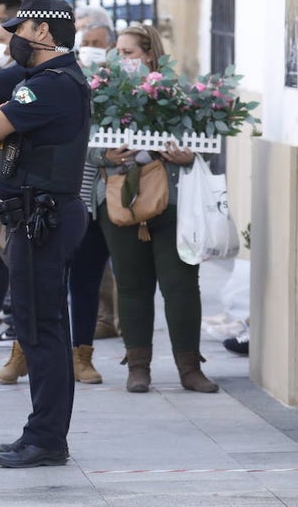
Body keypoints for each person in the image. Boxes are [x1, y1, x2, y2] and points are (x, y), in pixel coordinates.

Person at [0, 0, 91, 468]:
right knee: (42, 327)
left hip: (44, 218)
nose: (9, 37)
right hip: (36, 216)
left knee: (40, 329)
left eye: (18, 29)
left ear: (43, 32)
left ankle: (46, 438)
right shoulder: (47, 80)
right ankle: (43, 432)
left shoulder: (51, 85)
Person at [90, 24, 220, 395]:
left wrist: (189, 154)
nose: (121, 59)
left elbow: (206, 141)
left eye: (128, 53)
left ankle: (189, 368)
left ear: (149, 54)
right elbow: (84, 144)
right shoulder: (100, 94)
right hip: (118, 200)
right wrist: (105, 154)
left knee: (181, 285)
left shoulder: (178, 93)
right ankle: (138, 368)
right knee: (132, 286)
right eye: (118, 52)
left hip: (173, 199)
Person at [63, 19, 117, 385]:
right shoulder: (66, 81)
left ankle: (82, 354)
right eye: (88, 42)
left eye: (101, 42)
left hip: (107, 200)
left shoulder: (122, 87)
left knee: (88, 279)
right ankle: (26, 352)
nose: (94, 48)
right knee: (47, 282)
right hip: (71, 197)